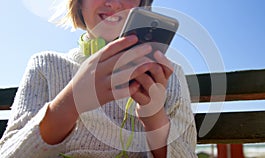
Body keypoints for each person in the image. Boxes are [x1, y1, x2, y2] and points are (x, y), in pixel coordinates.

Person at [0, 0, 197, 157]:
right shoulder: (46, 65)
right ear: (79, 2)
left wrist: (154, 118)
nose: (113, 3)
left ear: (141, 5)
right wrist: (71, 101)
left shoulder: (169, 74)